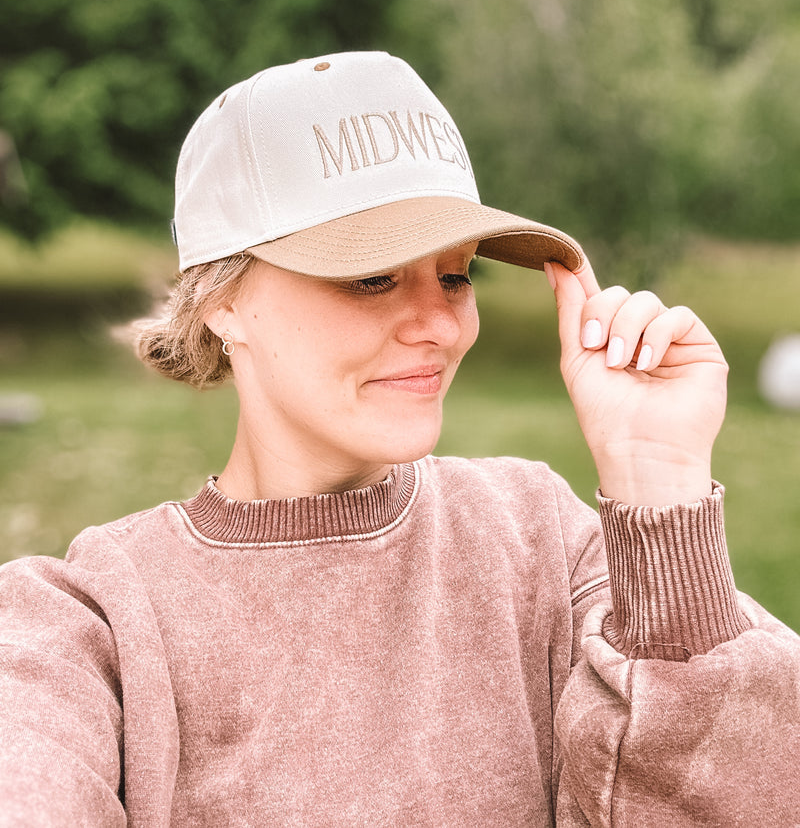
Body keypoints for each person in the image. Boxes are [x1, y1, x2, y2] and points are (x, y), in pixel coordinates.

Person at [0, 51, 798, 827]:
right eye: (371, 275)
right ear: (221, 299)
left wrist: (658, 482)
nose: (442, 322)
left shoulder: (540, 540)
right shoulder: (89, 621)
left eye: (457, 274)